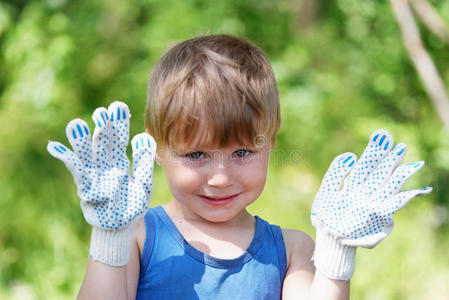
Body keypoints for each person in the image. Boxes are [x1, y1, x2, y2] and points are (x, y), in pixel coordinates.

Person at [47, 34, 432, 299]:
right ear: (157, 148)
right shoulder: (137, 237)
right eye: (196, 155)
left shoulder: (292, 250)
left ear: (271, 141)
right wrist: (109, 239)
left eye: (243, 153)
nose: (220, 177)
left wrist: (334, 255)